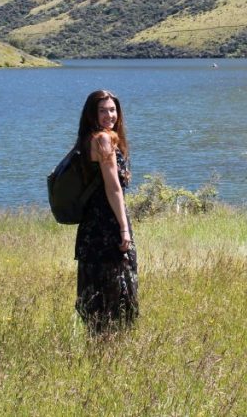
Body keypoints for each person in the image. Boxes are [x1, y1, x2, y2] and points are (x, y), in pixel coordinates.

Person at [73, 89, 139, 333]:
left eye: (113, 110)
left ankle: (102, 346)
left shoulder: (90, 137)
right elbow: (113, 189)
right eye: (103, 110)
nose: (109, 115)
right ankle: (110, 347)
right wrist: (123, 228)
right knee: (116, 289)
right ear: (92, 114)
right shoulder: (103, 140)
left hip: (93, 225)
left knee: (99, 292)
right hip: (106, 225)